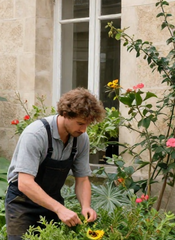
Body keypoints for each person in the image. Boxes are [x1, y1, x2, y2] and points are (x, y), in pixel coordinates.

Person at [6, 88, 106, 239]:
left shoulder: (81, 139)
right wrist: (60, 209)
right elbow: (25, 183)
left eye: (87, 124)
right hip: (22, 204)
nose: (84, 130)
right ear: (65, 114)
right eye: (80, 123)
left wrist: (86, 206)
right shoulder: (36, 134)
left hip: (52, 200)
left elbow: (82, 179)